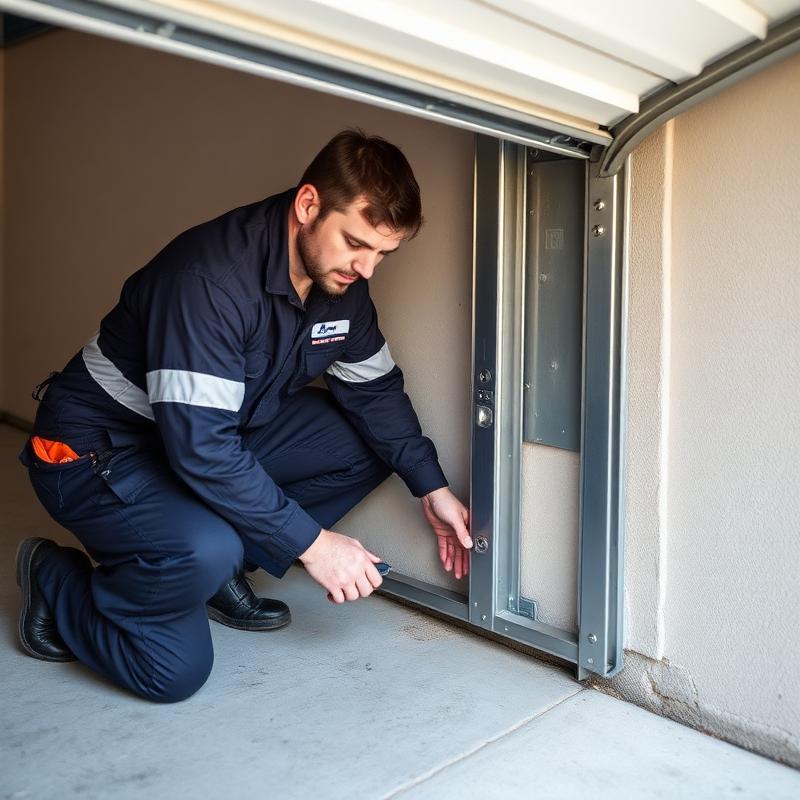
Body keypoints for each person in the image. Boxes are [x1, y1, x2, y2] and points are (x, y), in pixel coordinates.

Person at [15, 129, 473, 703]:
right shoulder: (208, 281)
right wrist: (313, 544)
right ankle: (55, 579)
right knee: (171, 670)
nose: (368, 267)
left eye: (384, 252)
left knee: (364, 441)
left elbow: (375, 392)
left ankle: (215, 570)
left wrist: (431, 487)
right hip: (95, 450)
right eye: (357, 242)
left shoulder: (342, 286)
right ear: (309, 205)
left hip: (202, 438)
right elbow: (201, 450)